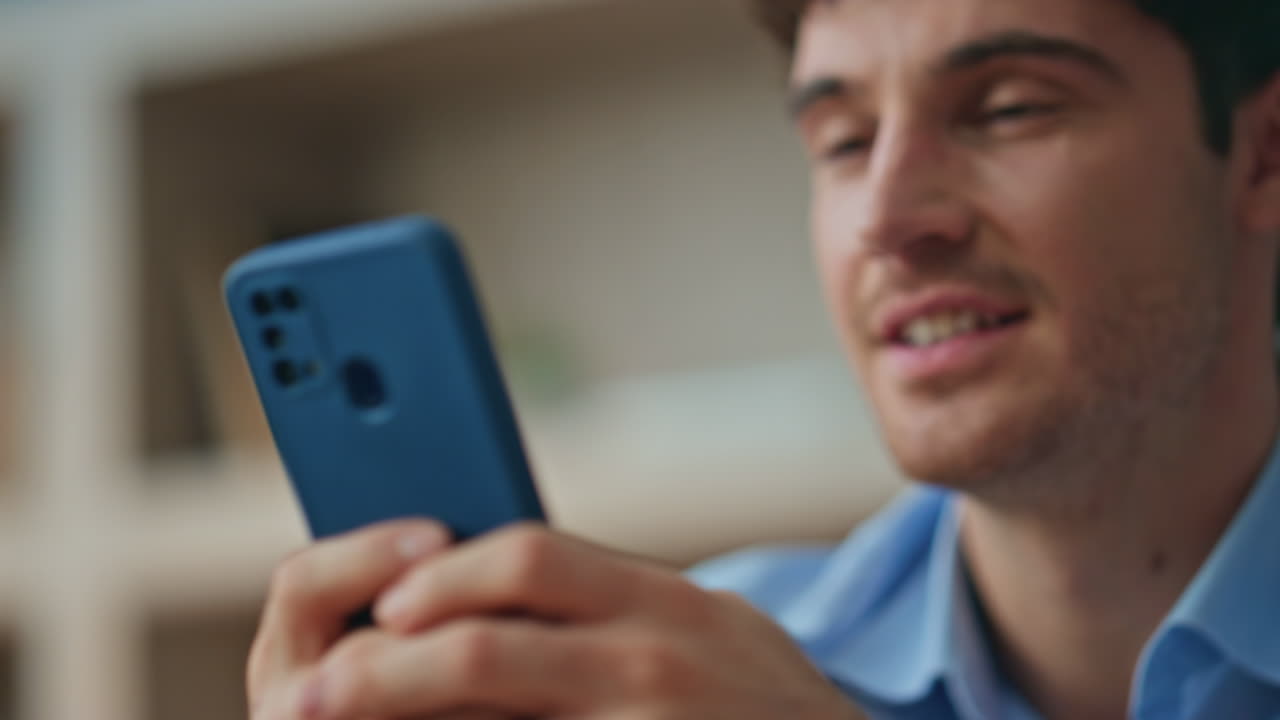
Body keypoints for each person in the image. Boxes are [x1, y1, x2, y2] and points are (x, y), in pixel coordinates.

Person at [244, 0, 1280, 718]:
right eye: (840, 139)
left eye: (1007, 109)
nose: (884, 216)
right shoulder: (687, 670)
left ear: (1262, 156)